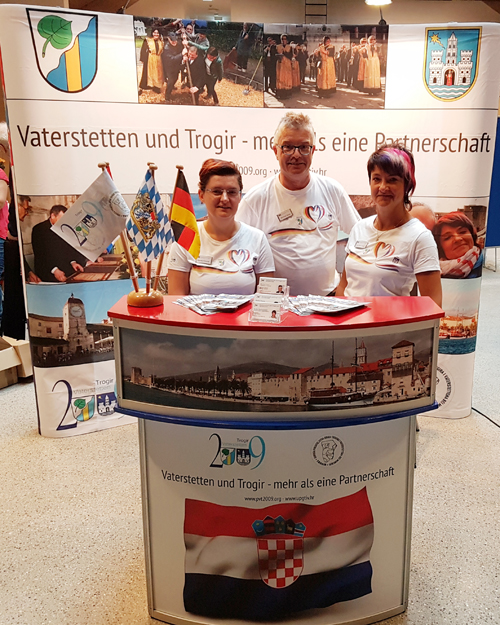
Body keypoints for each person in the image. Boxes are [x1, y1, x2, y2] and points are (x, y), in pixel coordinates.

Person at [237, 112, 359, 296]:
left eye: (303, 147)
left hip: (327, 301)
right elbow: (237, 249)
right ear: (275, 151)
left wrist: (343, 287)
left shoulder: (333, 190)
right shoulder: (255, 199)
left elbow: (360, 237)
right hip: (276, 305)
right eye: (287, 147)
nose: (296, 154)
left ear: (313, 150)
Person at [336, 144, 442, 306]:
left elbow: (433, 305)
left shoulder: (420, 237)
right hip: (348, 321)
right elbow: (344, 285)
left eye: (392, 180)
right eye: (377, 179)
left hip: (389, 322)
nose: (383, 187)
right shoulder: (359, 228)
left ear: (407, 185)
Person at [167, 159, 274, 295]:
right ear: (201, 195)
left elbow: (267, 301)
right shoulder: (186, 238)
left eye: (232, 192)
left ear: (240, 196)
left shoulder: (258, 239)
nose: (224, 199)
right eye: (217, 191)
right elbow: (176, 301)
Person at [31, 205, 88, 282]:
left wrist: (73, 262)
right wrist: (54, 270)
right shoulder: (39, 229)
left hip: (64, 271)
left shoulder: (64, 228)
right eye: (62, 218)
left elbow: (68, 249)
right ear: (53, 216)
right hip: (48, 272)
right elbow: (40, 254)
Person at [432, 212, 483, 279]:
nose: (457, 239)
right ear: (440, 248)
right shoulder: (432, 274)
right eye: (448, 237)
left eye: (462, 232)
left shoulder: (485, 265)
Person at [139, 28, 165, 94]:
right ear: (152, 33)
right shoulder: (148, 40)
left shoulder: (161, 41)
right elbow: (143, 50)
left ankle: (156, 86)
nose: (156, 34)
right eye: (154, 33)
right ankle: (148, 85)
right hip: (150, 58)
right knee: (148, 72)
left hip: (158, 59)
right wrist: (142, 58)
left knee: (158, 73)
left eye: (157, 33)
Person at [162, 35, 183, 102]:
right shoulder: (166, 48)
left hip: (176, 66)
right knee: (170, 81)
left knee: (176, 78)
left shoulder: (177, 44)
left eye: (175, 41)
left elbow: (182, 46)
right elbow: (172, 59)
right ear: (169, 39)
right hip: (169, 68)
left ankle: (172, 87)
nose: (174, 42)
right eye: (172, 41)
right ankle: (167, 96)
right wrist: (181, 54)